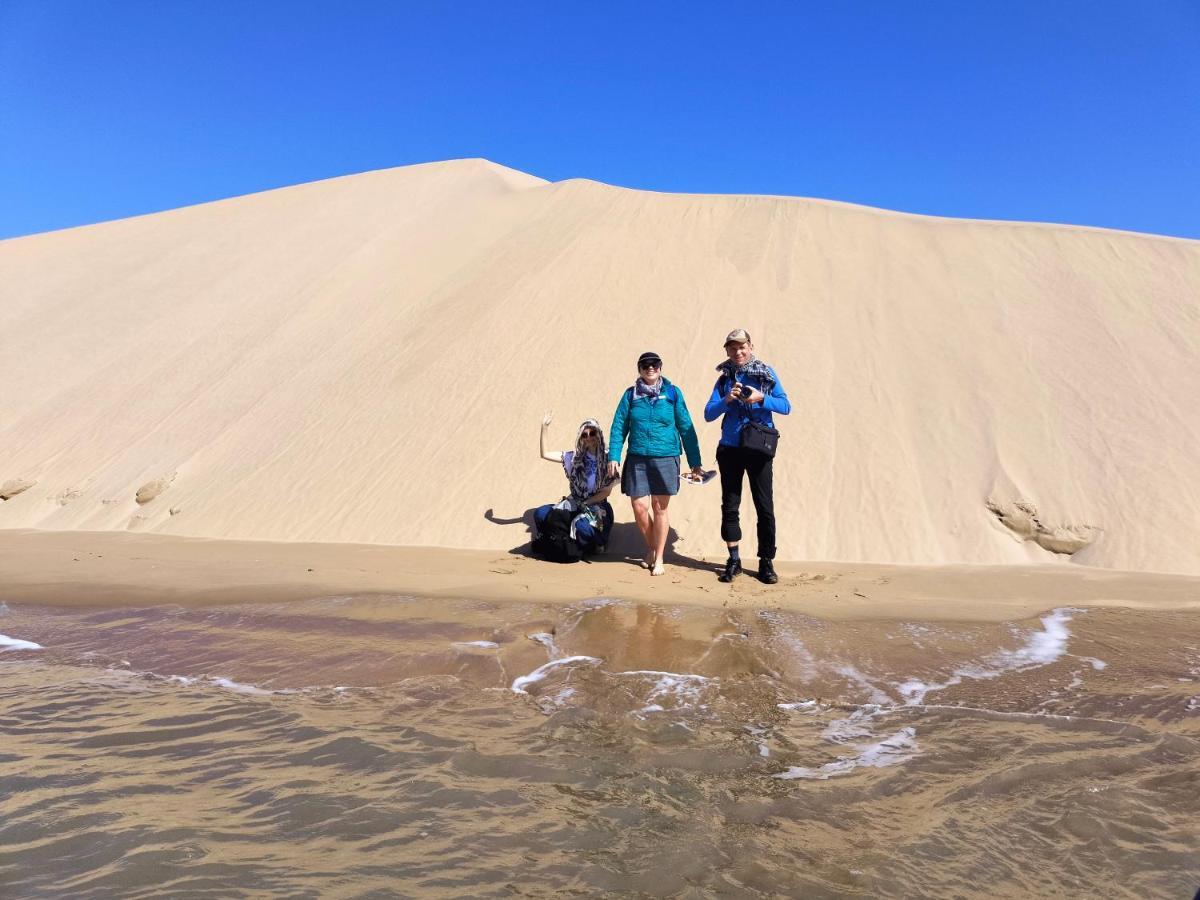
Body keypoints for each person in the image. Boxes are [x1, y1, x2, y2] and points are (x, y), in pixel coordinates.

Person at [703, 329, 791, 584]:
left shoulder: (766, 373)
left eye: (742, 347)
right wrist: (726, 400)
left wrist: (761, 398)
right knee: (730, 506)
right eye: (732, 348)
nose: (737, 352)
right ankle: (734, 560)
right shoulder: (723, 380)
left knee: (765, 506)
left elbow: (786, 406)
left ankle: (766, 562)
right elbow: (709, 413)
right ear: (727, 351)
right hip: (730, 449)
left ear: (750, 347)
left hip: (759, 449)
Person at [607, 351, 705, 576]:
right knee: (639, 507)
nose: (650, 368)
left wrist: (695, 462)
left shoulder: (672, 393)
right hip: (637, 457)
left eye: (654, 364)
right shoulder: (630, 394)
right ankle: (651, 548)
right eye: (645, 365)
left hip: (666, 456)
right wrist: (614, 455)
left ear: (660, 367)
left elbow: (686, 427)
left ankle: (658, 557)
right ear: (639, 369)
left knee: (659, 507)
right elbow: (619, 425)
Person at [534, 414, 615, 554]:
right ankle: (558, 541)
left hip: (596, 505)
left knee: (582, 526)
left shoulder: (607, 459)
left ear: (599, 434)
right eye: (585, 434)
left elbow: (606, 491)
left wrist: (585, 503)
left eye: (592, 433)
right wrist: (544, 428)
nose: (589, 437)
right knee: (540, 514)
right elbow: (545, 453)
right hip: (574, 501)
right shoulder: (574, 458)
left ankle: (599, 541)